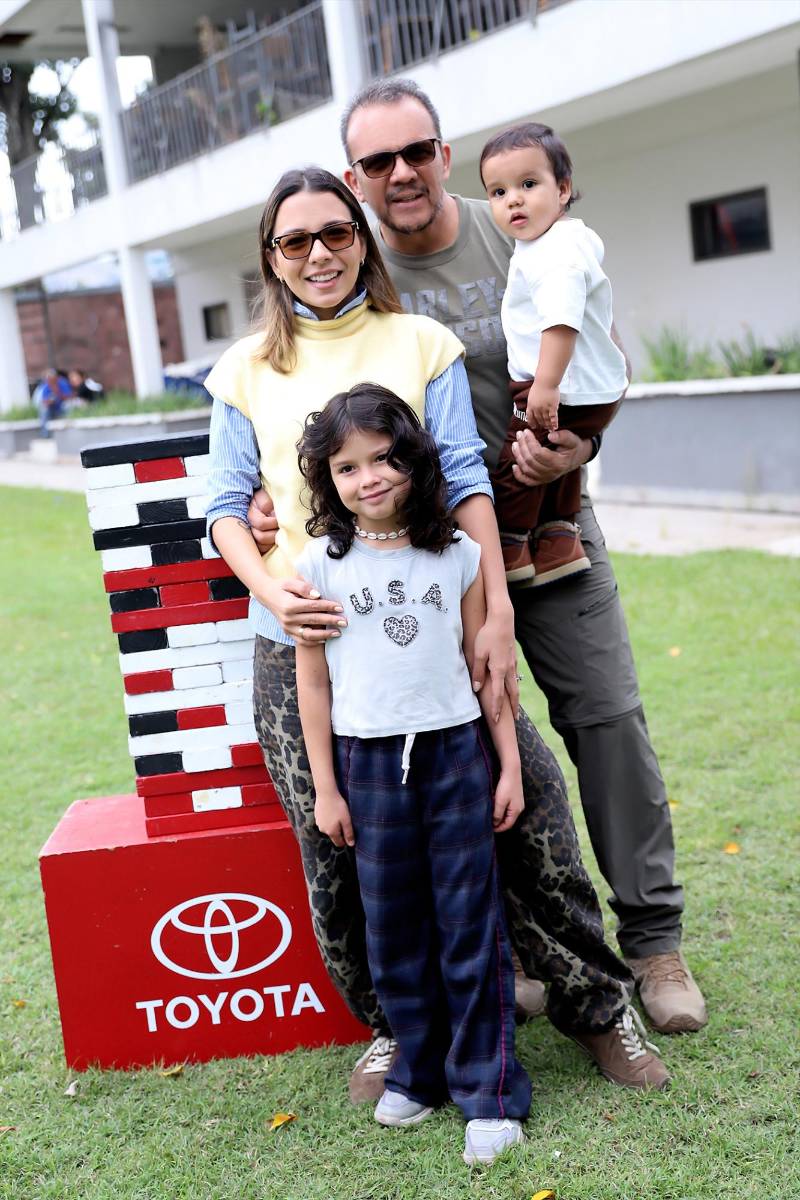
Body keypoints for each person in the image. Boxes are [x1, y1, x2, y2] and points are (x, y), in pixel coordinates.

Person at [250, 78, 706, 1038]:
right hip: (419, 562)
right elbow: (308, 391)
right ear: (354, 178)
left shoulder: (516, 223)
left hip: (548, 532)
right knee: (453, 744)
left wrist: (577, 448)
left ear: (445, 154)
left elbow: (598, 358)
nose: (402, 173)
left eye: (418, 151)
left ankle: (655, 942)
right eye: (378, 162)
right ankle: (507, 948)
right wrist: (274, 486)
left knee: (607, 719)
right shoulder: (348, 263)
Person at [295, 384, 531, 1164]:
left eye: (385, 458)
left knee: (470, 923)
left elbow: (484, 669)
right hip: (367, 766)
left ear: (414, 459)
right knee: (393, 925)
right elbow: (314, 683)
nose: (370, 478)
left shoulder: (456, 554)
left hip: (455, 753)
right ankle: (419, 1071)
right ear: (328, 481)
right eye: (348, 467)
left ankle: (489, 1091)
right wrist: (327, 788)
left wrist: (509, 769)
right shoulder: (319, 567)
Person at [479, 122, 627, 587]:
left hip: (557, 387)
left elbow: (560, 321)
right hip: (595, 390)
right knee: (557, 459)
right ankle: (561, 540)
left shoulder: (553, 254)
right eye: (498, 191)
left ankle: (510, 545)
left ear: (563, 189)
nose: (513, 200)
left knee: (518, 461)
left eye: (528, 184)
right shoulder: (567, 240)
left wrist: (545, 385)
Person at [34, 368, 70, 436]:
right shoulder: (46, 386)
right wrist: (49, 402)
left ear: (56, 377)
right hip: (51, 409)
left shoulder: (63, 383)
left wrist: (57, 392)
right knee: (43, 409)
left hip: (62, 408)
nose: (50, 380)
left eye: (52, 378)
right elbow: (44, 400)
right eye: (48, 378)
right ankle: (45, 434)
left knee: (68, 406)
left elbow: (68, 397)